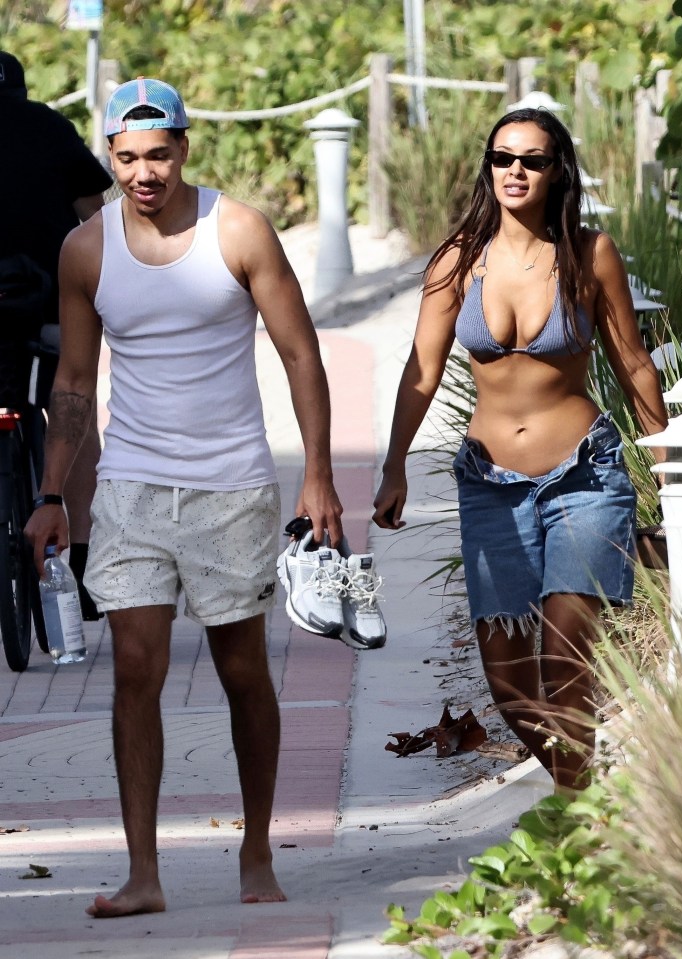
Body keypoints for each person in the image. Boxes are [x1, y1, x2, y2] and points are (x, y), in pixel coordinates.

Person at [24, 76, 344, 916]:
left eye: (157, 154)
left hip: (231, 486)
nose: (142, 172)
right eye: (125, 158)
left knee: (242, 670)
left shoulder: (236, 230)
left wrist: (317, 475)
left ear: (184, 148)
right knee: (134, 667)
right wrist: (52, 491)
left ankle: (256, 846)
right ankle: (143, 872)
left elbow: (301, 355)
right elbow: (74, 380)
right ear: (111, 158)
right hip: (130, 485)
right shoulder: (86, 250)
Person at [373, 108, 667, 792]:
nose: (515, 171)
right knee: (509, 684)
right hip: (490, 486)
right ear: (487, 167)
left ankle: (580, 822)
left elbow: (633, 365)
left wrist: (668, 473)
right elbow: (420, 371)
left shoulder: (590, 254)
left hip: (584, 479)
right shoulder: (456, 260)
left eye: (532, 160)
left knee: (566, 661)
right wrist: (392, 466)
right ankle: (585, 794)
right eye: (502, 158)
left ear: (556, 169)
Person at [0, 50, 113, 619]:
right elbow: (95, 214)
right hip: (51, 303)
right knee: (71, 409)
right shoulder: (47, 124)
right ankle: (89, 562)